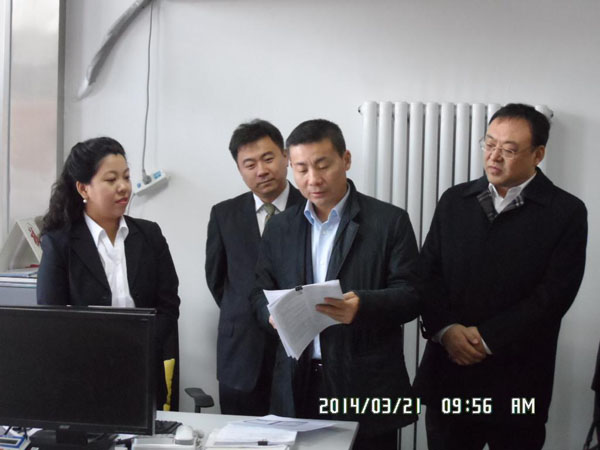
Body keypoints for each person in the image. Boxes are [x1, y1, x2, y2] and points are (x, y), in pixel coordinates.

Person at [414, 103, 588, 450]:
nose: (494, 157)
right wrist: (446, 331)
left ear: (538, 155)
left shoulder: (565, 212)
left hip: (518, 381)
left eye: (508, 150)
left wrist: (486, 339)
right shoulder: (455, 201)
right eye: (489, 144)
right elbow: (426, 274)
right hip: (450, 375)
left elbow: (554, 295)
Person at [251, 119, 420, 449]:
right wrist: (270, 314)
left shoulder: (389, 221)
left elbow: (412, 295)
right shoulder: (280, 227)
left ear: (346, 159)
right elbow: (258, 291)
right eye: (301, 169)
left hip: (364, 383)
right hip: (297, 381)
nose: (312, 179)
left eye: (322, 165)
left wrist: (362, 306)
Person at [37, 137, 181, 408]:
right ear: (84, 188)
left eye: (126, 177)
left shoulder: (149, 235)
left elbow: (168, 306)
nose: (123, 187)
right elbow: (51, 318)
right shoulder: (60, 243)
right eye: (111, 179)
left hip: (142, 374)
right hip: (82, 380)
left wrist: (140, 347)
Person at [205, 119, 304, 415]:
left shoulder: (310, 208)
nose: (261, 170)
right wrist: (246, 312)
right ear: (239, 169)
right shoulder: (224, 214)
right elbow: (217, 281)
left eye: (268, 158)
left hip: (299, 352)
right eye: (249, 164)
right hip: (241, 356)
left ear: (285, 157)